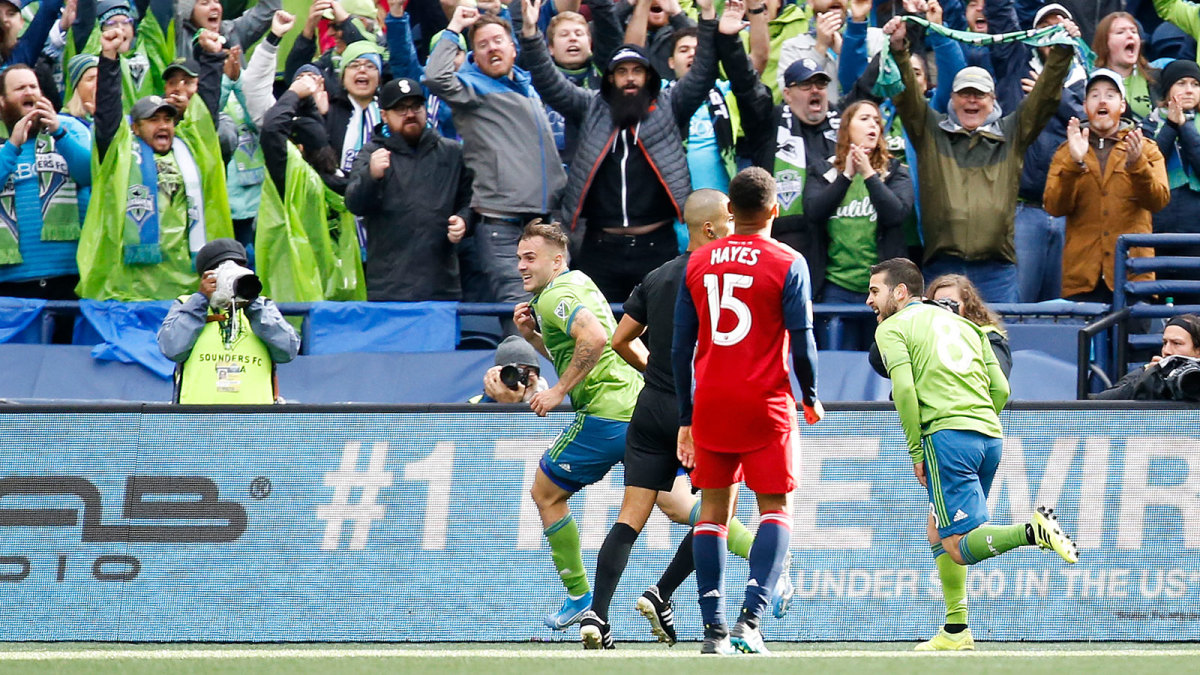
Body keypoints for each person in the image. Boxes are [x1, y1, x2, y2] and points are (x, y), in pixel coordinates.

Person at [581, 189, 773, 649]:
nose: (733, 224)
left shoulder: (658, 275)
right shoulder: (722, 276)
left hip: (651, 408)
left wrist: (656, 372)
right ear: (709, 228)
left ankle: (598, 615)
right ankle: (662, 591)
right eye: (728, 218)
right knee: (716, 515)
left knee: (631, 516)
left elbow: (621, 339)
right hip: (702, 412)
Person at [865, 257, 1078, 652]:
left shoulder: (893, 328)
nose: (868, 300)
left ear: (900, 292)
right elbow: (1001, 390)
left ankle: (1032, 532)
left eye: (874, 290)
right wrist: (978, 418)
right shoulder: (969, 326)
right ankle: (955, 629)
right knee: (937, 526)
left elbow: (906, 393)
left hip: (946, 439)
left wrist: (917, 449)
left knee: (960, 546)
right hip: (988, 436)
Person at [673, 167, 823, 655]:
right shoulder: (788, 261)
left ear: (730, 212)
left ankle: (712, 630)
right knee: (774, 510)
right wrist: (811, 393)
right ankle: (749, 621)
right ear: (775, 209)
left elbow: (679, 347)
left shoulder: (699, 262)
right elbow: (803, 342)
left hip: (712, 402)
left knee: (713, 514)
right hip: (765, 402)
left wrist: (685, 416)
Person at [519, 0, 719, 303]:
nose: (629, 78)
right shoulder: (590, 106)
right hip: (600, 248)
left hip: (658, 247)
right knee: (599, 339)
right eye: (621, 71)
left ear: (648, 77)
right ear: (610, 78)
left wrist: (706, 17)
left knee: (659, 337)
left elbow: (703, 72)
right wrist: (532, 34)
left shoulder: (670, 104)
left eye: (637, 71)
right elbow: (548, 82)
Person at [882, 14, 1073, 304]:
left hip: (997, 272)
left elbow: (1044, 96)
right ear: (952, 99)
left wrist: (1061, 49)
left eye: (979, 95)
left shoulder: (1012, 133)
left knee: (996, 345)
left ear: (992, 100)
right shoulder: (930, 132)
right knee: (939, 346)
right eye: (964, 94)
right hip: (942, 267)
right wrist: (898, 49)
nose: (972, 100)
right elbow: (907, 95)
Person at [511, 220, 644, 632]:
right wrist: (535, 339)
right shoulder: (578, 281)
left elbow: (596, 339)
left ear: (556, 259)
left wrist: (556, 392)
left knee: (545, 492)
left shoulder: (555, 298)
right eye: (518, 258)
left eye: (530, 258)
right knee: (683, 506)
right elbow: (579, 344)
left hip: (604, 414)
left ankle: (578, 595)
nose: (521, 266)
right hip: (639, 406)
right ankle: (768, 561)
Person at [76, 25, 233, 302]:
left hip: (183, 282)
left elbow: (205, 121)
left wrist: (211, 59)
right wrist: (110, 59)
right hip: (130, 288)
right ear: (135, 127)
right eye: (153, 120)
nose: (163, 125)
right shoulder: (120, 154)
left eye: (167, 119)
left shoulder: (190, 150)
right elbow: (109, 116)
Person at [424, 5, 566, 306]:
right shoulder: (471, 88)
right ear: (474, 55)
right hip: (503, 225)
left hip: (546, 221)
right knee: (523, 313)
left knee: (557, 310)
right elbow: (435, 77)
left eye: (498, 41)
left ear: (512, 48)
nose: (492, 49)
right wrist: (454, 29)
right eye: (482, 45)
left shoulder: (526, 86)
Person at [1043, 69, 1170, 303]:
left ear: (1122, 106)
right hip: (1082, 280)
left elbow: (1159, 201)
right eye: (1094, 95)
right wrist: (1075, 162)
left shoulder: (1146, 148)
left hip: (1133, 276)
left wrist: (1137, 165)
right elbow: (1053, 206)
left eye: (1110, 95)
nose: (1102, 100)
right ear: (1085, 106)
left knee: (1131, 340)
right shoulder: (1067, 151)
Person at [345, 78, 473, 302]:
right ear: (384, 115)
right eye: (400, 109)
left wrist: (464, 220)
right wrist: (371, 175)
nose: (410, 114)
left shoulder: (452, 152)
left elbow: (471, 200)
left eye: (416, 106)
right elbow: (354, 203)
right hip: (389, 286)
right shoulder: (372, 153)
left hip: (442, 285)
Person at [158, 238, 300, 404]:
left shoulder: (261, 308)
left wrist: (251, 302)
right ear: (206, 276)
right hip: (196, 421)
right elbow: (172, 348)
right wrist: (201, 300)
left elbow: (288, 350)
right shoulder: (187, 305)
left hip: (256, 423)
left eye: (238, 267)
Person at [802, 99, 913, 306]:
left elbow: (896, 214)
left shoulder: (896, 171)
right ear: (846, 128)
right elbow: (813, 212)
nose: (872, 124)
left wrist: (869, 174)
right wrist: (846, 176)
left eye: (876, 120)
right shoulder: (822, 171)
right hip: (835, 287)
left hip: (884, 288)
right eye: (864, 118)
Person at [0, 63, 92, 301]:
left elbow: (89, 175)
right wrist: (12, 147)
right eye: (20, 88)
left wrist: (59, 133)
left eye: (33, 86)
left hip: (70, 275)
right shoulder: (4, 145)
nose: (30, 92)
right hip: (11, 283)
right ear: (2, 101)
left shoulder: (69, 127)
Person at [1143, 58, 1200, 301]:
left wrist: (1184, 126)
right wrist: (1169, 126)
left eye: (1195, 84)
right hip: (1157, 229)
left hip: (1195, 233)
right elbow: (1146, 166)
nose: (1189, 89)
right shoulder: (1148, 124)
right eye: (1181, 83)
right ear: (1167, 91)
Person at [1093, 313, 1200, 400]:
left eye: (1177, 343)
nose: (1167, 351)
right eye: (1164, 343)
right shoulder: (1151, 371)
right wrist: (1145, 378)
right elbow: (1102, 401)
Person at [1092, 11, 1158, 121]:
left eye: (1134, 31)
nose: (1130, 35)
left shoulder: (1156, 77)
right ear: (1105, 43)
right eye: (1120, 32)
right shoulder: (1090, 80)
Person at [474, 335, 549, 404]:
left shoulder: (550, 406)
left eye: (529, 370)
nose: (523, 377)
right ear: (500, 375)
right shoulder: (474, 406)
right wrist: (491, 399)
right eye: (516, 372)